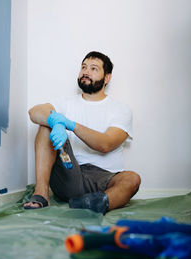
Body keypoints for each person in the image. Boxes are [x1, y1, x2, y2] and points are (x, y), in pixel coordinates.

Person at [23, 51, 141, 214]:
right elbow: (34, 112)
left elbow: (105, 144)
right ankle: (41, 194)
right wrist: (54, 121)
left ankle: (94, 203)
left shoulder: (121, 110)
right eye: (83, 67)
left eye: (94, 68)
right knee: (45, 124)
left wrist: (70, 125)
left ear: (107, 78)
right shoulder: (66, 103)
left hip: (105, 179)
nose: (86, 71)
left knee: (132, 179)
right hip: (70, 173)